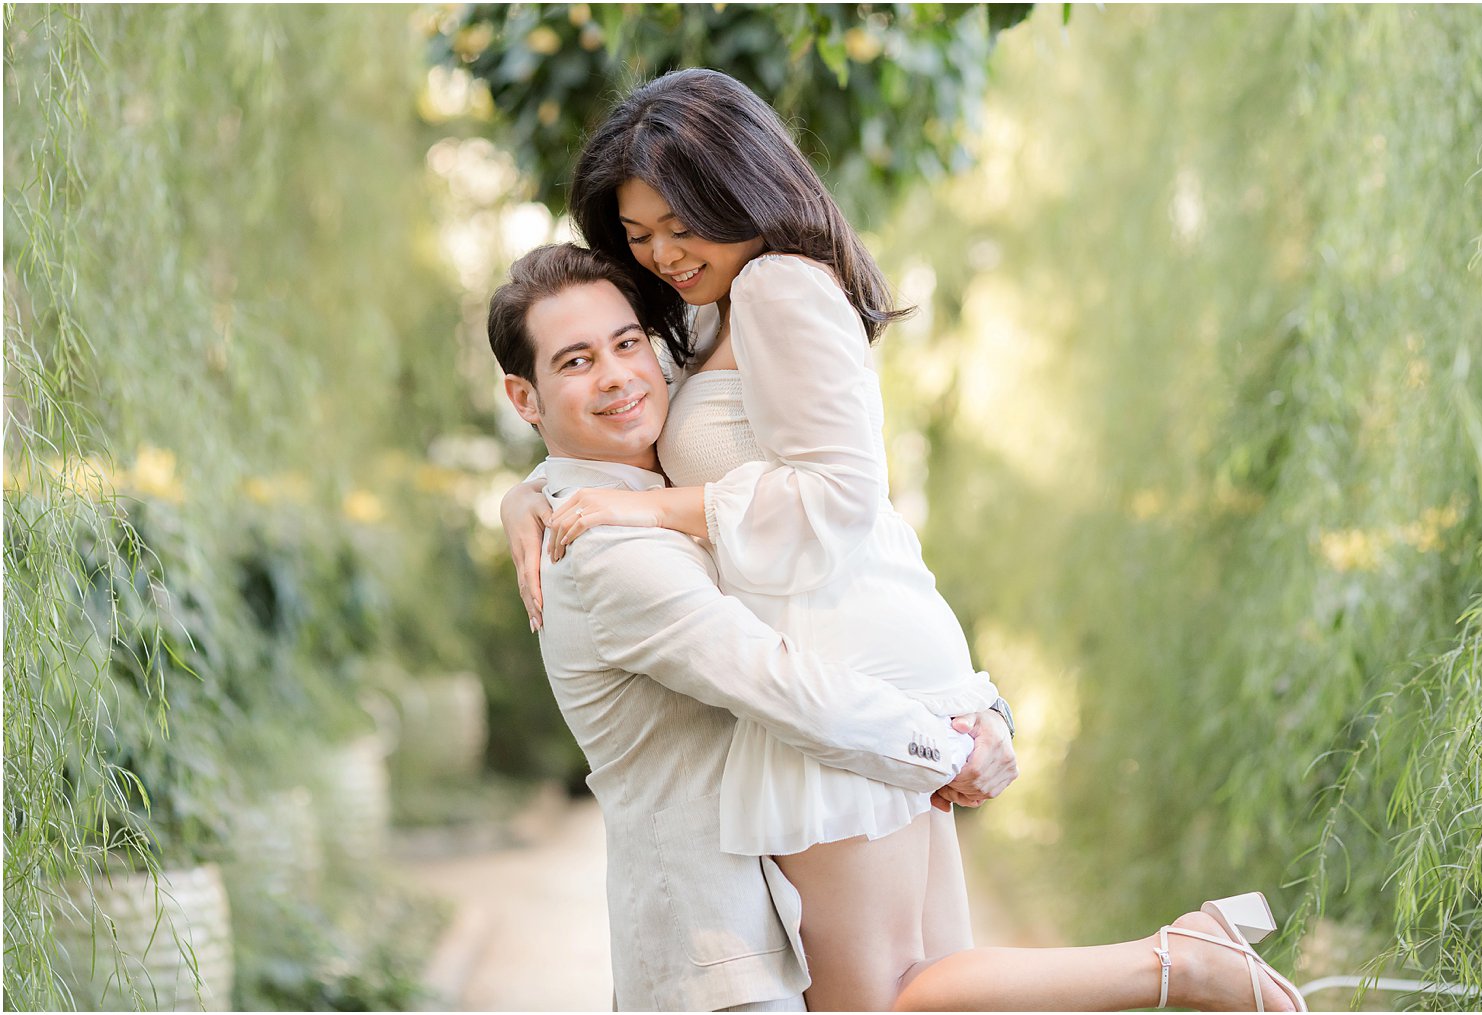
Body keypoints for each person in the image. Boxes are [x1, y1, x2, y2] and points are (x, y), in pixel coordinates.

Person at [499, 70, 1305, 1013]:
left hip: (834, 655)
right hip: (849, 643)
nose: (665, 255)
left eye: (681, 225)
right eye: (639, 237)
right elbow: (615, 417)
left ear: (740, 186)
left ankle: (1178, 961)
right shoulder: (712, 309)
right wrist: (534, 492)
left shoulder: (774, 285)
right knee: (914, 984)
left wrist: (656, 512)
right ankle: (1178, 961)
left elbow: (844, 497)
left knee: (873, 998)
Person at [486, 242, 1015, 1012]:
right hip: (718, 955)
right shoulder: (609, 549)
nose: (617, 374)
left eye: (628, 342)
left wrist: (528, 488)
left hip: (768, 925)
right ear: (524, 398)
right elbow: (782, 684)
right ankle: (1168, 964)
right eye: (574, 361)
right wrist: (953, 747)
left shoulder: (654, 486)